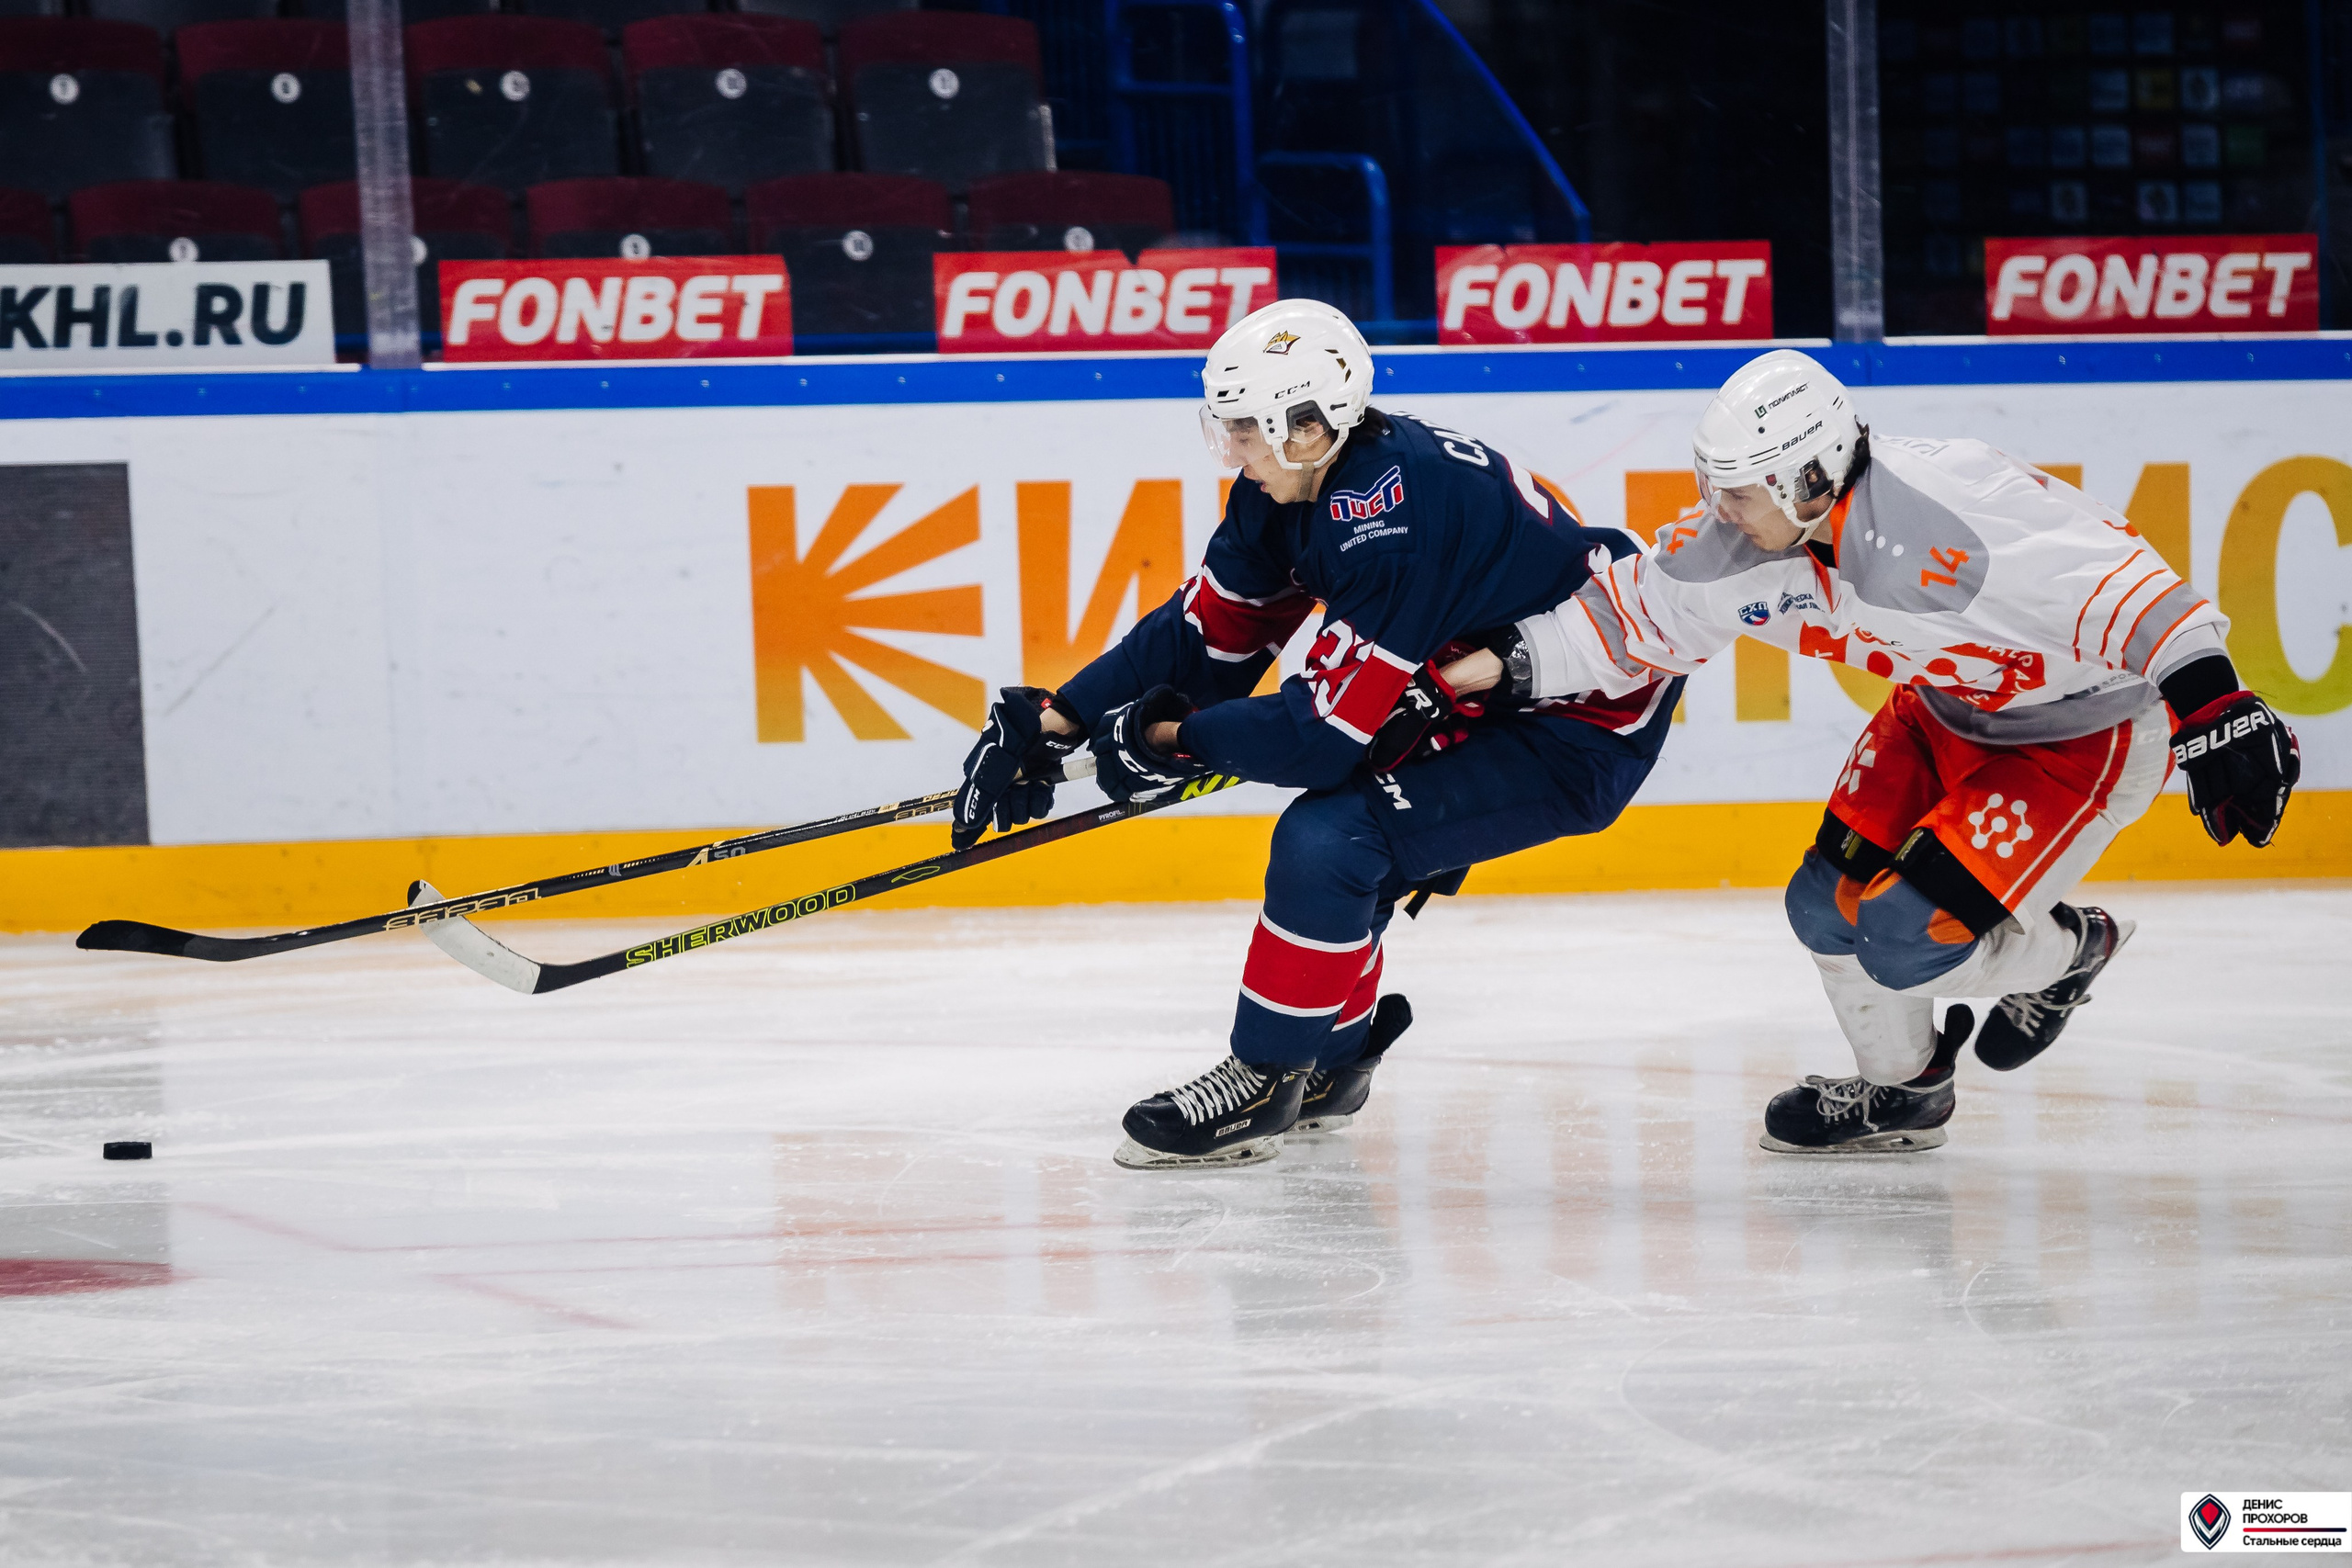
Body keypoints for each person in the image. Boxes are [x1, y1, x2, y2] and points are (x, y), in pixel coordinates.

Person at [1413, 348, 2299, 1153]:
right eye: (1714, 484)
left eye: (1740, 489)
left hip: (2083, 734)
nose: (1720, 509)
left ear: (1810, 477)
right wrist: (1490, 669)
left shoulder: (1951, 515)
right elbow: (1631, 620)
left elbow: (2121, 580)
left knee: (1906, 937)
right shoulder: (1749, 539)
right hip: (1941, 709)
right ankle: (1905, 1090)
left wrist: (2212, 698)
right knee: (1826, 906)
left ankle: (2072, 951)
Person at [951, 299, 1682, 1169]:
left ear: (1310, 425)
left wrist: (1168, 739)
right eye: (1226, 432)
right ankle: (1331, 1061)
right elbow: (1209, 632)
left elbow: (1321, 733)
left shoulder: (1393, 515)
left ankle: (1265, 1077)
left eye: (1248, 434)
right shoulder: (1291, 485)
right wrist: (1060, 717)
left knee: (1333, 835)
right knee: (1351, 840)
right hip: (1464, 691)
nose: (1236, 455)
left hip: (1577, 724)